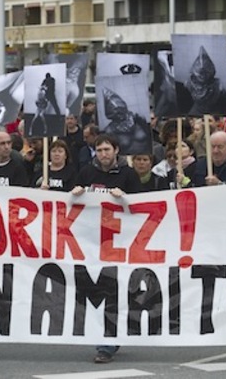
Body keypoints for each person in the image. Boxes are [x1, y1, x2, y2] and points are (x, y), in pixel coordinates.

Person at [71, 134, 141, 364]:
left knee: (115, 292)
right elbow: (70, 204)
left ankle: (109, 342)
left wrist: (126, 199)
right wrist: (75, 195)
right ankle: (107, 339)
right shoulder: (86, 173)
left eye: (107, 149)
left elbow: (142, 207)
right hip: (91, 243)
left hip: (119, 243)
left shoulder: (128, 175)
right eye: (99, 150)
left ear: (116, 150)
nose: (103, 154)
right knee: (99, 292)